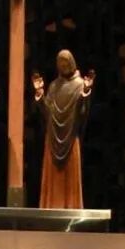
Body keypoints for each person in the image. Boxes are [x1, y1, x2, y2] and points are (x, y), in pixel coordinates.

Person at [32, 49, 94, 210]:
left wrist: (86, 92)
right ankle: (51, 204)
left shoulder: (79, 84)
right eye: (60, 63)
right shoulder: (54, 86)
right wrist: (40, 95)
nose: (63, 66)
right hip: (53, 137)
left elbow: (82, 113)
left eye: (66, 62)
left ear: (72, 63)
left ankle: (71, 205)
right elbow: (48, 113)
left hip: (70, 135)